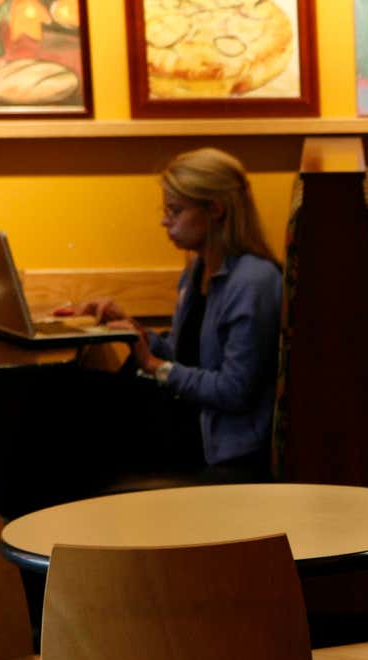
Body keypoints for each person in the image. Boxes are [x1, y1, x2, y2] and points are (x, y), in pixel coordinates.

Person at [71, 147, 284, 481]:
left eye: (175, 210)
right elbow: (187, 356)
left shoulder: (253, 282)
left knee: (79, 422)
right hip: (189, 419)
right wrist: (135, 331)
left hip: (220, 444)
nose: (164, 220)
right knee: (75, 396)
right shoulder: (198, 268)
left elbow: (235, 391)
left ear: (215, 209)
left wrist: (156, 367)